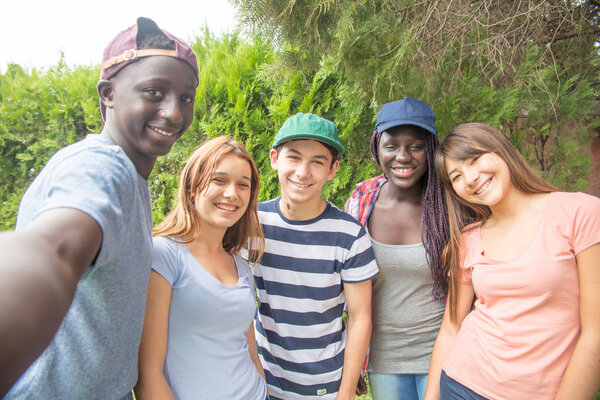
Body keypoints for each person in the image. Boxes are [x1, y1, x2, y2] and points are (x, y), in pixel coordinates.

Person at [0, 17, 199, 399]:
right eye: (155, 92)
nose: (174, 113)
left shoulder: (133, 177)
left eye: (185, 98)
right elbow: (53, 252)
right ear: (108, 93)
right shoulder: (102, 168)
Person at [424, 123, 600, 400]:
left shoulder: (579, 212)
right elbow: (451, 327)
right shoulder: (468, 240)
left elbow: (595, 335)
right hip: (461, 385)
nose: (470, 178)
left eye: (475, 159)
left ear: (501, 151)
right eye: (456, 176)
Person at [252, 112, 379, 400]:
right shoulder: (252, 223)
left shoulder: (349, 235)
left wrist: (346, 392)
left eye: (317, 162)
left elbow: (360, 318)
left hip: (325, 386)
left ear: (332, 169)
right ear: (275, 159)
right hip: (262, 383)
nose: (303, 171)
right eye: (294, 157)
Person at [135, 136, 268, 400]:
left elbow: (250, 352)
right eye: (219, 180)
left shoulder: (241, 266)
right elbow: (148, 375)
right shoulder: (164, 255)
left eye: (243, 185)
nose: (232, 193)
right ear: (192, 186)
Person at [345, 97, 449, 400]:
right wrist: (350, 359)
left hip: (443, 354)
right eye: (391, 146)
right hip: (383, 359)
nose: (403, 156)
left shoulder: (448, 202)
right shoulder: (361, 200)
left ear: (431, 149)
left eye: (416, 146)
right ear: (377, 147)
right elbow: (344, 285)